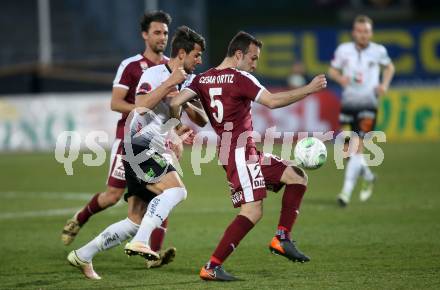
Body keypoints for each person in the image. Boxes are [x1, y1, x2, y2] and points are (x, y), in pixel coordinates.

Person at [170, 31, 327, 281]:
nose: (255, 64)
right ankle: (212, 266)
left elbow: (176, 101)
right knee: (252, 210)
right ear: (239, 54)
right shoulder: (240, 78)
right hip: (239, 153)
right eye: (253, 58)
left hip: (242, 151)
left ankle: (282, 238)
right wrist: (309, 89)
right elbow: (273, 102)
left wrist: (178, 127)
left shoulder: (201, 79)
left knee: (297, 176)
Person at [67, 26, 207, 280]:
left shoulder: (189, 81)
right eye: (196, 55)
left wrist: (182, 101)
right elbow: (140, 106)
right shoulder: (154, 74)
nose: (200, 60)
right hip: (137, 147)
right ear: (182, 53)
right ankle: (143, 241)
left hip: (153, 148)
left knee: (133, 220)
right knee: (177, 190)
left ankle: (83, 255)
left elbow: (202, 119)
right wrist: (168, 86)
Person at [61, 11, 177, 267]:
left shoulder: (171, 68)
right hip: (129, 140)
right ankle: (81, 217)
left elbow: (172, 107)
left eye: (166, 33)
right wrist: (142, 107)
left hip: (156, 141)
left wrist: (175, 133)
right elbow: (116, 103)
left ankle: (152, 254)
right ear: (145, 35)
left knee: (164, 190)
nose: (162, 37)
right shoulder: (131, 66)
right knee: (113, 195)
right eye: (157, 32)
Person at [328, 15, 394, 207]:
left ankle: (345, 193)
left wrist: (384, 85)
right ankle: (369, 175)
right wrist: (340, 79)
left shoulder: (378, 51)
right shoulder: (344, 50)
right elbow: (332, 70)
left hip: (368, 105)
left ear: (371, 33)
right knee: (347, 152)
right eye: (359, 31)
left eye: (366, 31)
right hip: (348, 104)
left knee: (357, 147)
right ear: (353, 32)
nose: (363, 35)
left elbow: (389, 67)